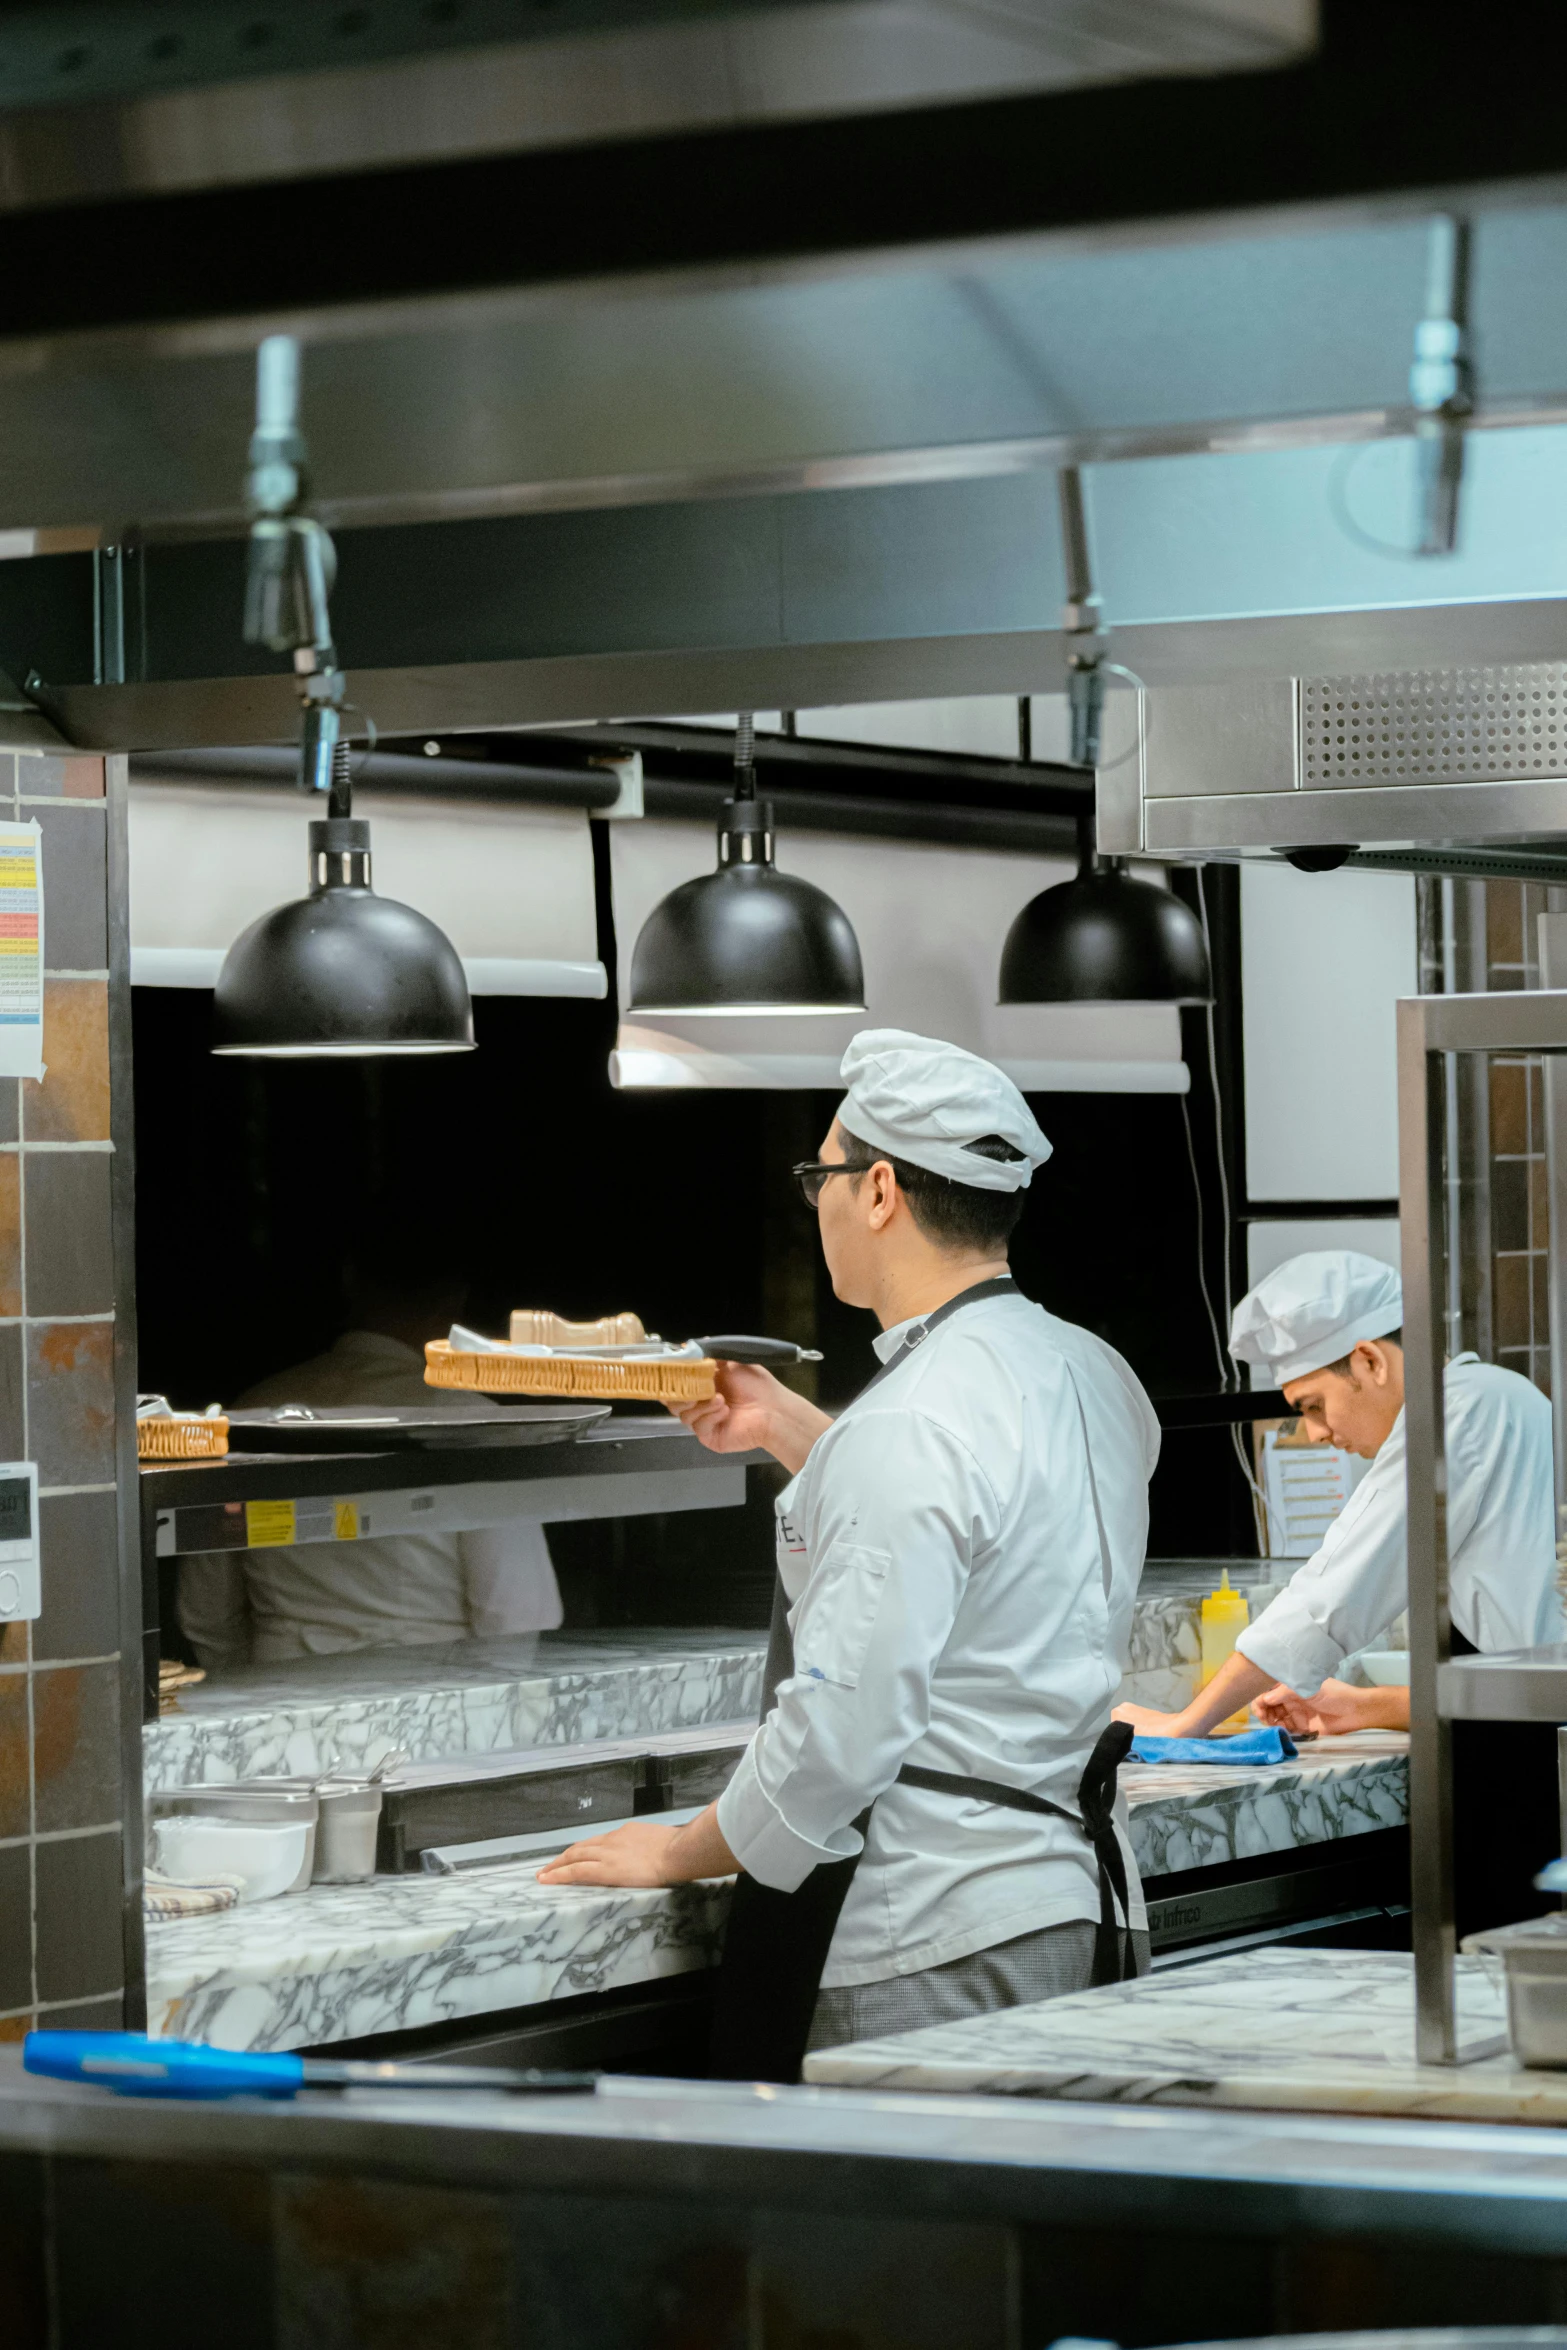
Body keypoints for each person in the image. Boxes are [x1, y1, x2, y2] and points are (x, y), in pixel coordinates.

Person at [537, 1028, 1162, 2079]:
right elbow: (985, 1534)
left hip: (936, 1925)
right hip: (1070, 1899)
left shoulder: (911, 1419)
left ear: (877, 1191)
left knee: (912, 2249)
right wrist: (792, 1428)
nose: (814, 1200)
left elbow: (839, 1733)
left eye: (819, 1173)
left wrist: (685, 1846)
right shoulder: (1090, 1368)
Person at [1114, 1247, 1563, 1934]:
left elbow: (1329, 1596)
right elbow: (1506, 1638)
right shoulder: (1504, 1396)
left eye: (1313, 1406)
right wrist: (1362, 1707)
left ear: (1369, 1361)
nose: (1315, 1434)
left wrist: (1184, 1724)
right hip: (1510, 1741)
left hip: (1508, 1775)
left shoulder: (1450, 1416)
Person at [178, 1264, 562, 1670]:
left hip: (280, 1693)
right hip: (428, 1697)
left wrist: (255, 1682)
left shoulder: (252, 1410)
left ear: (350, 1282)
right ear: (456, 1300)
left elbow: (207, 1610)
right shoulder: (469, 1421)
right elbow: (516, 1611)